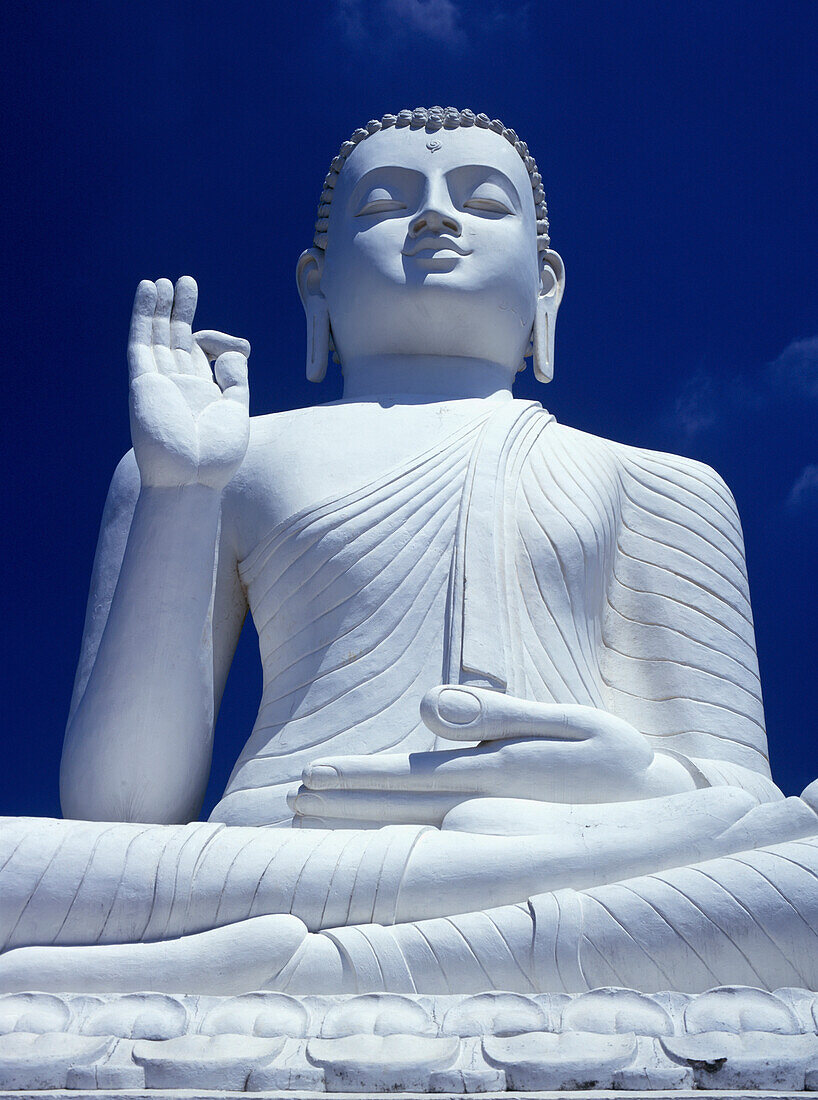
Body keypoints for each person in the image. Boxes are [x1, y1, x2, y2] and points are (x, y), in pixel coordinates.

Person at [2, 107, 816, 996]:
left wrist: (628, 776)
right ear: (316, 285)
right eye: (387, 202)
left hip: (588, 849)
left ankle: (288, 974)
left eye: (483, 202)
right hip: (280, 861)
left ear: (547, 288)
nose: (435, 218)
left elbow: (746, 811)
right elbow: (121, 816)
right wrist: (179, 493)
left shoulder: (663, 483)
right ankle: (351, 962)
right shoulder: (220, 460)